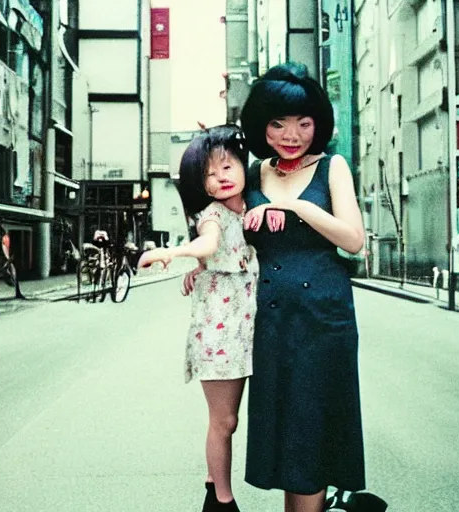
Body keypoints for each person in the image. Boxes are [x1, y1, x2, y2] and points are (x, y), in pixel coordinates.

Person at [238, 62, 385, 512]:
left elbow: (354, 240)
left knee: (311, 428)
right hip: (272, 317)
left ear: (318, 125)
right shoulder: (253, 172)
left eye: (304, 123)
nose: (292, 134)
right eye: (278, 123)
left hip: (324, 318)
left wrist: (295, 206)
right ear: (262, 126)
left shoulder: (333, 166)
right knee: (286, 436)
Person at [138, 124, 260, 512]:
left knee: (232, 421)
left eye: (227, 166)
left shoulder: (257, 205)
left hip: (247, 331)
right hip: (220, 334)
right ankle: (222, 503)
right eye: (209, 173)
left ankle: (213, 483)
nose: (220, 177)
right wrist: (173, 255)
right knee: (223, 422)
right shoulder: (213, 215)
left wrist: (203, 266)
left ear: (244, 165)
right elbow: (209, 242)